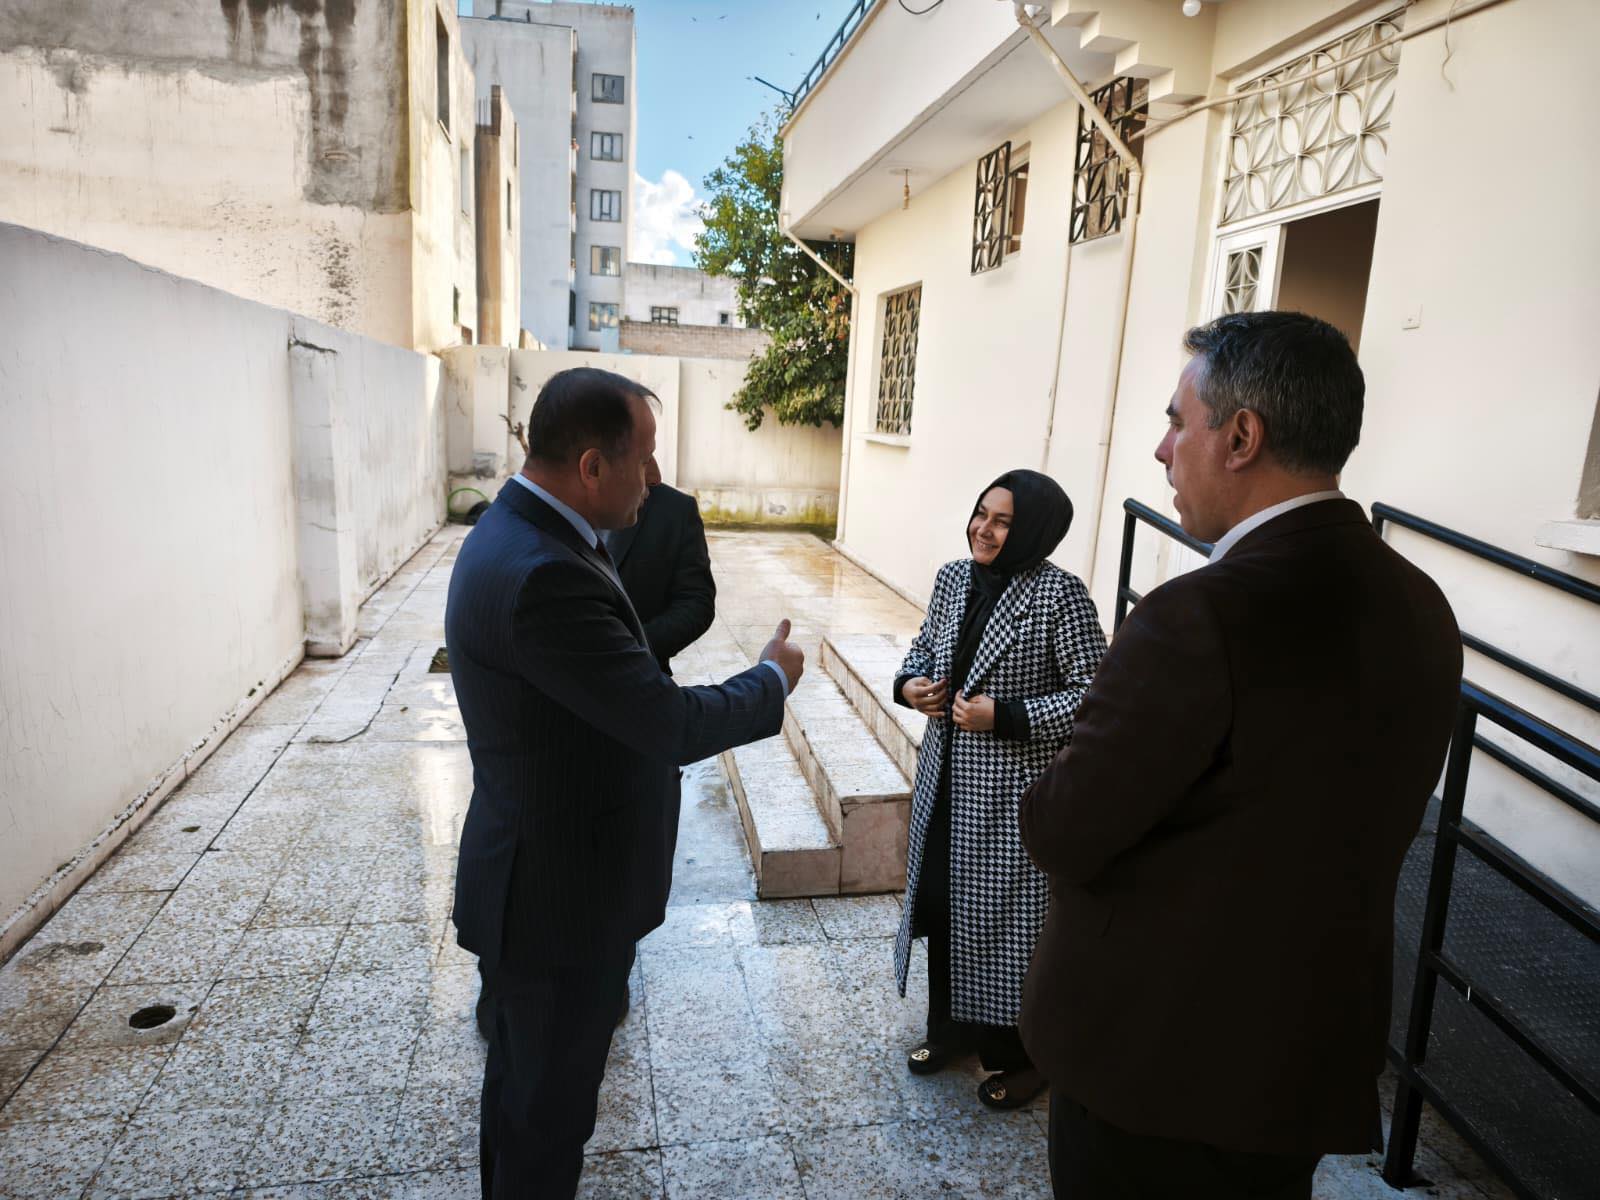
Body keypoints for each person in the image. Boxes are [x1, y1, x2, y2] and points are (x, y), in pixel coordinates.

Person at [1019, 312, 1463, 1199]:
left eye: (1177, 422)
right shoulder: (1422, 603)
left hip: (1156, 1072)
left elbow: (1063, 829)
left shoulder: (1197, 615)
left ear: (1241, 437)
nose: (1161, 451)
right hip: (1296, 1066)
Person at [446, 367, 804, 1199]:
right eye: (643, 459)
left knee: (526, 1103)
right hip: (558, 899)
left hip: (543, 877)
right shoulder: (545, 572)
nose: (653, 477)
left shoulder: (521, 532)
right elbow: (666, 722)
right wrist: (771, 680)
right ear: (591, 466)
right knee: (546, 1119)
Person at [891, 469, 1106, 1110]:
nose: (983, 529)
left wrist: (1006, 715)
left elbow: (1096, 695)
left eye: (1003, 521)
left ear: (1033, 530)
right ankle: (950, 1032)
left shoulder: (1060, 596)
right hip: (944, 781)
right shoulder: (953, 579)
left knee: (1007, 925)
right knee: (942, 903)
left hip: (1010, 794)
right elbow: (922, 652)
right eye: (981, 513)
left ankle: (1025, 1058)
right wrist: (911, 686)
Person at [604, 481, 716, 674]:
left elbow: (696, 601)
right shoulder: (554, 507)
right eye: (644, 464)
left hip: (642, 676)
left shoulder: (676, 508)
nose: (655, 475)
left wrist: (635, 646)